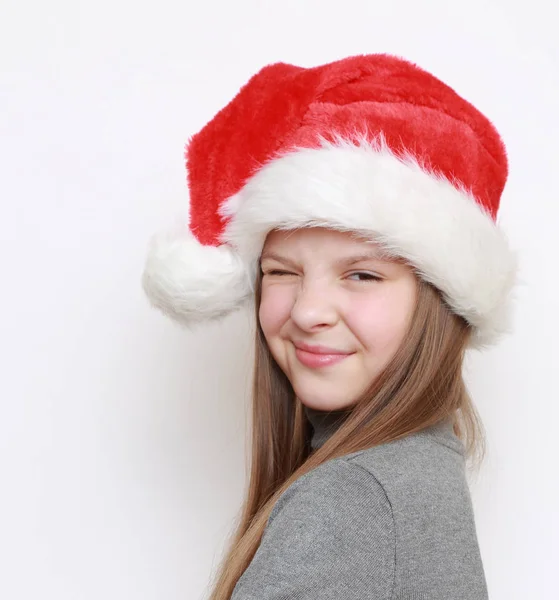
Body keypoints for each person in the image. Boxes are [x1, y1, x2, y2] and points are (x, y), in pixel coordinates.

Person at [142, 53, 519, 600]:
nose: (306, 310)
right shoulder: (419, 469)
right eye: (282, 272)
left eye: (362, 274)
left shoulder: (352, 500)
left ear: (438, 300)